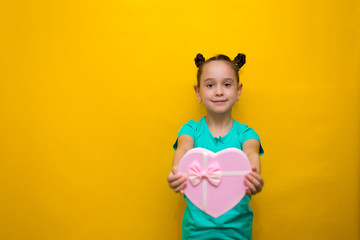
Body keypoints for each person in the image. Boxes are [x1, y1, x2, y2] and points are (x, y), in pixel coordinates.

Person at [167, 53, 264, 240]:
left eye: (227, 84)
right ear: (198, 92)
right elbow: (184, 149)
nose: (219, 91)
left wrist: (253, 173)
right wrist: (177, 170)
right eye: (210, 85)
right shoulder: (191, 130)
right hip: (195, 233)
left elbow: (251, 152)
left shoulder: (246, 134)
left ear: (238, 91)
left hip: (238, 233)